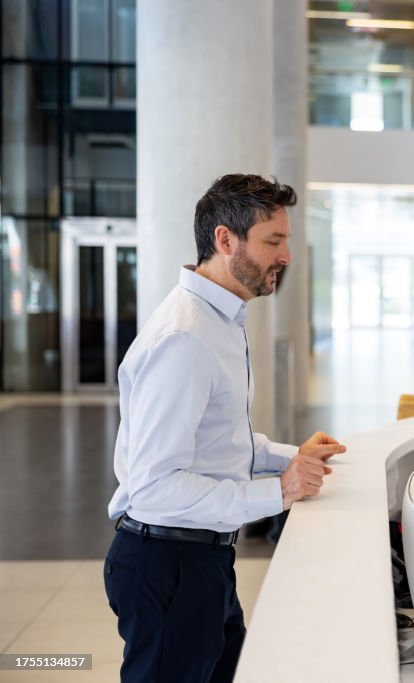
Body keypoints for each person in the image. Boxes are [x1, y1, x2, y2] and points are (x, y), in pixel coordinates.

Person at [105, 174, 346, 682]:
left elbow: (216, 441)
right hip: (169, 562)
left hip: (200, 555)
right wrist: (278, 492)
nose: (286, 257)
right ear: (225, 239)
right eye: (273, 242)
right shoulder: (186, 337)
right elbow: (154, 486)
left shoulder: (219, 320)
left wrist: (291, 457)